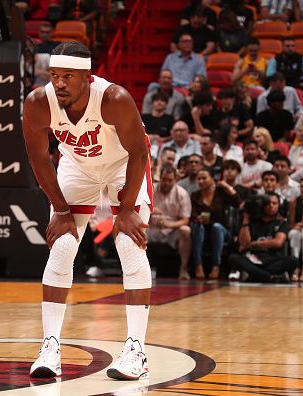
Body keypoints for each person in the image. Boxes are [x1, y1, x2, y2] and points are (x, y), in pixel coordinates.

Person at [22, 42, 154, 380]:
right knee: (63, 245)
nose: (60, 83)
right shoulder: (39, 103)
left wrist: (124, 210)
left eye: (68, 76)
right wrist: (60, 209)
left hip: (124, 164)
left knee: (127, 241)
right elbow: (39, 158)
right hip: (77, 166)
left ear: (88, 77)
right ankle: (50, 346)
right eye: (55, 76)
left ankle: (136, 349)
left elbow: (138, 152)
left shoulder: (114, 99)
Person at [228, 193, 299, 282]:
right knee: (233, 258)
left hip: (271, 259)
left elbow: (278, 243)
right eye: (268, 203)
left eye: (274, 203)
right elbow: (244, 243)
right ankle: (266, 275)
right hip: (252, 258)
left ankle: (258, 274)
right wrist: (246, 218)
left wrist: (256, 243)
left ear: (279, 206)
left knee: (293, 260)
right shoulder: (251, 222)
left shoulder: (281, 223)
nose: (271, 206)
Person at [190, 168, 241, 280]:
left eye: (204, 178)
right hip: (202, 228)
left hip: (221, 230)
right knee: (197, 227)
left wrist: (227, 186)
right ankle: (198, 266)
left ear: (212, 179)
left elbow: (238, 202)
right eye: (199, 179)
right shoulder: (195, 195)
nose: (201, 181)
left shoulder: (220, 193)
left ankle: (216, 266)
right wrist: (197, 218)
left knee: (216, 227)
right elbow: (191, 214)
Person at [149, 166, 192, 280]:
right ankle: (133, 271)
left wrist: (169, 225)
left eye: (170, 180)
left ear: (175, 179)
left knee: (185, 230)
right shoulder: (150, 189)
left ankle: (183, 268)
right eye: (164, 179)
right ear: (160, 178)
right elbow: (136, 210)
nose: (166, 183)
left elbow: (185, 220)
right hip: (150, 228)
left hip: (171, 231)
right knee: (132, 229)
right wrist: (150, 211)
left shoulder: (182, 194)